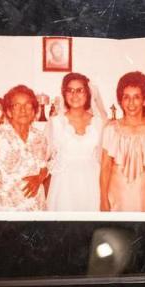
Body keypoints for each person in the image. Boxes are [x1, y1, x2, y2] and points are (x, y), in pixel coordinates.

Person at [100, 71, 145, 212]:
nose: (131, 103)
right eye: (126, 97)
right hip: (117, 194)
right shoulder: (110, 129)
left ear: (144, 101)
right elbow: (105, 167)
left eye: (136, 97)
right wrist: (103, 199)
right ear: (121, 100)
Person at [0, 85, 49, 212]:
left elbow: (44, 168)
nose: (23, 110)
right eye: (16, 105)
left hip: (36, 206)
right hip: (6, 206)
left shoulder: (40, 137)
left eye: (28, 105)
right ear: (9, 112)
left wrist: (39, 179)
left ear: (33, 111)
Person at [45, 73, 106, 211]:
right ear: (64, 94)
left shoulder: (99, 123)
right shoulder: (55, 122)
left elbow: (103, 158)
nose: (74, 95)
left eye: (80, 90)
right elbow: (44, 156)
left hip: (91, 181)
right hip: (63, 184)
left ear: (88, 93)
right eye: (70, 90)